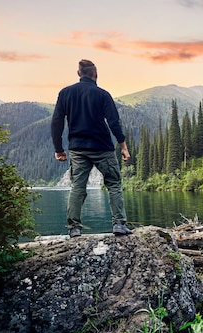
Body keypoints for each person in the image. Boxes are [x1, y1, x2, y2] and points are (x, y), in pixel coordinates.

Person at [51, 59, 132, 238]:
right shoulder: (102, 94)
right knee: (114, 184)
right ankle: (119, 224)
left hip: (78, 148)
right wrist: (123, 147)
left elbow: (57, 121)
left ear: (78, 73)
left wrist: (59, 149)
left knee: (77, 187)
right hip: (102, 147)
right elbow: (114, 123)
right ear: (95, 74)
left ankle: (74, 228)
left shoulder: (65, 93)